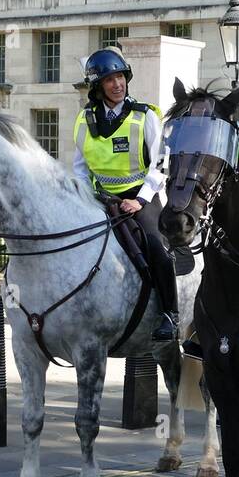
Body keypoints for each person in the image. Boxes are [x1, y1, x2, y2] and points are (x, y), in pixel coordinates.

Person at [72, 48, 177, 342]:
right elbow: (80, 169)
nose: (117, 84)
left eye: (120, 77)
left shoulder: (145, 116)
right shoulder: (83, 120)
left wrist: (140, 200)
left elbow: (162, 162)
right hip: (102, 200)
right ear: (98, 87)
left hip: (142, 196)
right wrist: (86, 197)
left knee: (158, 248)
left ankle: (170, 314)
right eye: (109, 80)